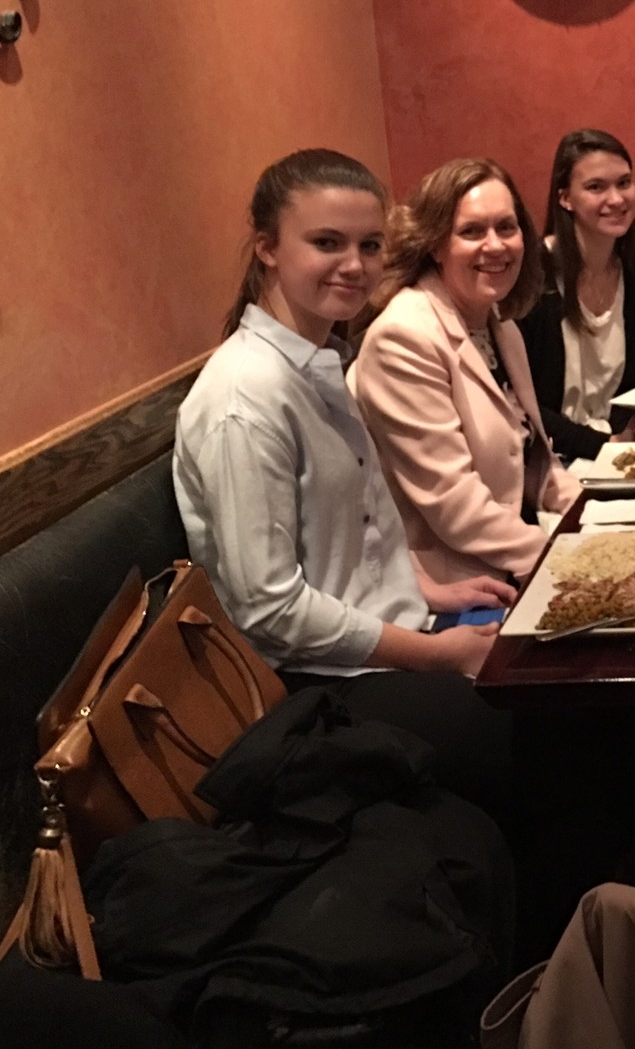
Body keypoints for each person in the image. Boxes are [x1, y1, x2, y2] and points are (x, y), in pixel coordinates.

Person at [172, 148, 512, 811]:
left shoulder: (321, 359)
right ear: (267, 247)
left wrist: (428, 588)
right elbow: (270, 612)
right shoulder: (244, 400)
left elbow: (348, 529)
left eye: (370, 244)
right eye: (327, 243)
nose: (354, 265)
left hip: (386, 644)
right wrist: (434, 656)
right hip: (317, 686)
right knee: (527, 730)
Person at [354, 157, 581, 588]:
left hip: (512, 560)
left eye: (506, 227)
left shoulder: (500, 326)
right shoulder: (403, 337)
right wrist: (566, 558)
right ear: (436, 244)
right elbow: (454, 504)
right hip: (453, 585)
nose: (495, 245)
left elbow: (535, 464)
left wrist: (596, 520)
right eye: (472, 231)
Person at [518, 129, 635, 460]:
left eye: (624, 183)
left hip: (612, 451)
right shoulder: (534, 278)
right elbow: (522, 405)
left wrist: (624, 442)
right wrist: (601, 448)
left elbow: (628, 389)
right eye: (596, 187)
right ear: (565, 198)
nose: (616, 199)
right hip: (546, 461)